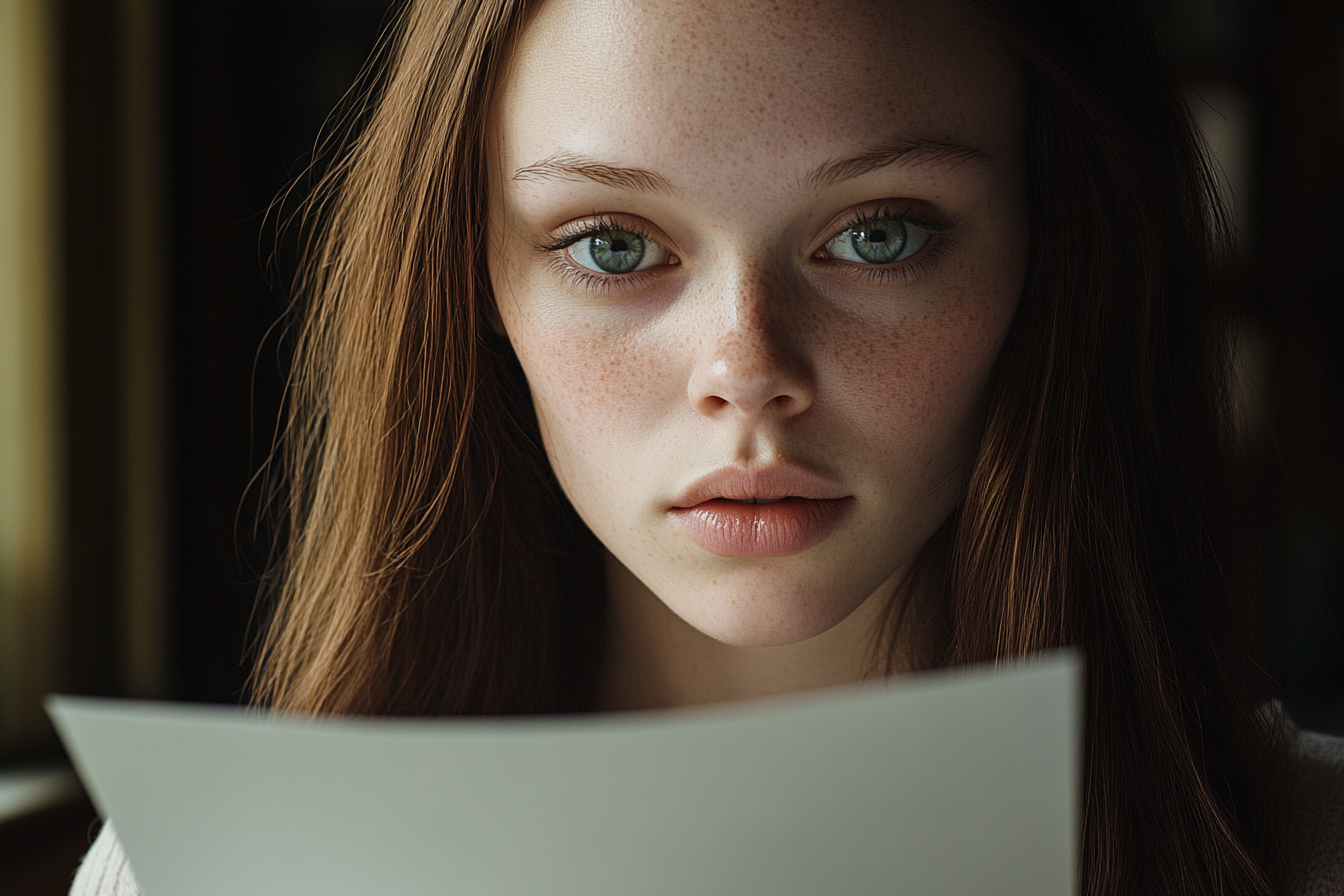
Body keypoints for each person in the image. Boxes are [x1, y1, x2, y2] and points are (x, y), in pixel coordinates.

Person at [71, 0, 1344, 893]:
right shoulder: (189, 876)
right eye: (614, 245)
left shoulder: (1313, 854)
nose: (747, 369)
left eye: (880, 234)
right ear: (472, 290)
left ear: (1055, 254)